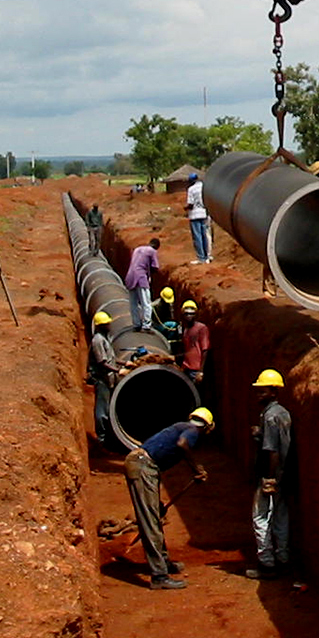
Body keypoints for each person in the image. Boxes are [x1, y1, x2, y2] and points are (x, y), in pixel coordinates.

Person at [124, 408, 214, 590]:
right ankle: (159, 576)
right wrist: (196, 469)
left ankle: (163, 563)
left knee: (155, 515)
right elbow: (182, 445)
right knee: (150, 521)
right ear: (207, 427)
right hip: (144, 466)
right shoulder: (192, 431)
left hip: (144, 466)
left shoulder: (181, 426)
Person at [247, 369, 291, 580]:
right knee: (281, 516)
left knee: (261, 517)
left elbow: (272, 449)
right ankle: (283, 559)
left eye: (262, 391)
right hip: (285, 473)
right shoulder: (282, 412)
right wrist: (259, 434)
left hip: (271, 474)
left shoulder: (271, 416)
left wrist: (269, 478)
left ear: (273, 391)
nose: (258, 394)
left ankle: (267, 564)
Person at [88, 311, 122, 444]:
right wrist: (119, 370)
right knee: (102, 409)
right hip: (102, 379)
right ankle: (101, 439)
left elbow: (111, 358)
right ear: (100, 326)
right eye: (107, 324)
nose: (110, 325)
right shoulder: (97, 340)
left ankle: (108, 436)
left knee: (108, 407)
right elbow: (102, 362)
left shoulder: (104, 338)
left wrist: (126, 363)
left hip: (108, 378)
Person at [124, 238, 160, 331]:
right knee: (146, 303)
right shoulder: (152, 251)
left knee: (133, 303)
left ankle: (136, 324)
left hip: (130, 277)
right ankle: (146, 325)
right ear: (157, 247)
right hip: (141, 278)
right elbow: (155, 267)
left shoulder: (137, 249)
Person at [179, 300, 209, 383]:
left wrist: (201, 371)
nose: (189, 316)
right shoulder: (186, 330)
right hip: (186, 369)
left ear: (196, 314)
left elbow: (205, 350)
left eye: (192, 314)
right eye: (186, 314)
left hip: (195, 370)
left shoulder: (201, 328)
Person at [185, 173, 211, 263]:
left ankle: (201, 258)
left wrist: (185, 208)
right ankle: (207, 256)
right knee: (204, 235)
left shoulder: (191, 189)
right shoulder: (204, 187)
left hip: (195, 215)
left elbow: (191, 204)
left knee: (197, 236)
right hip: (204, 213)